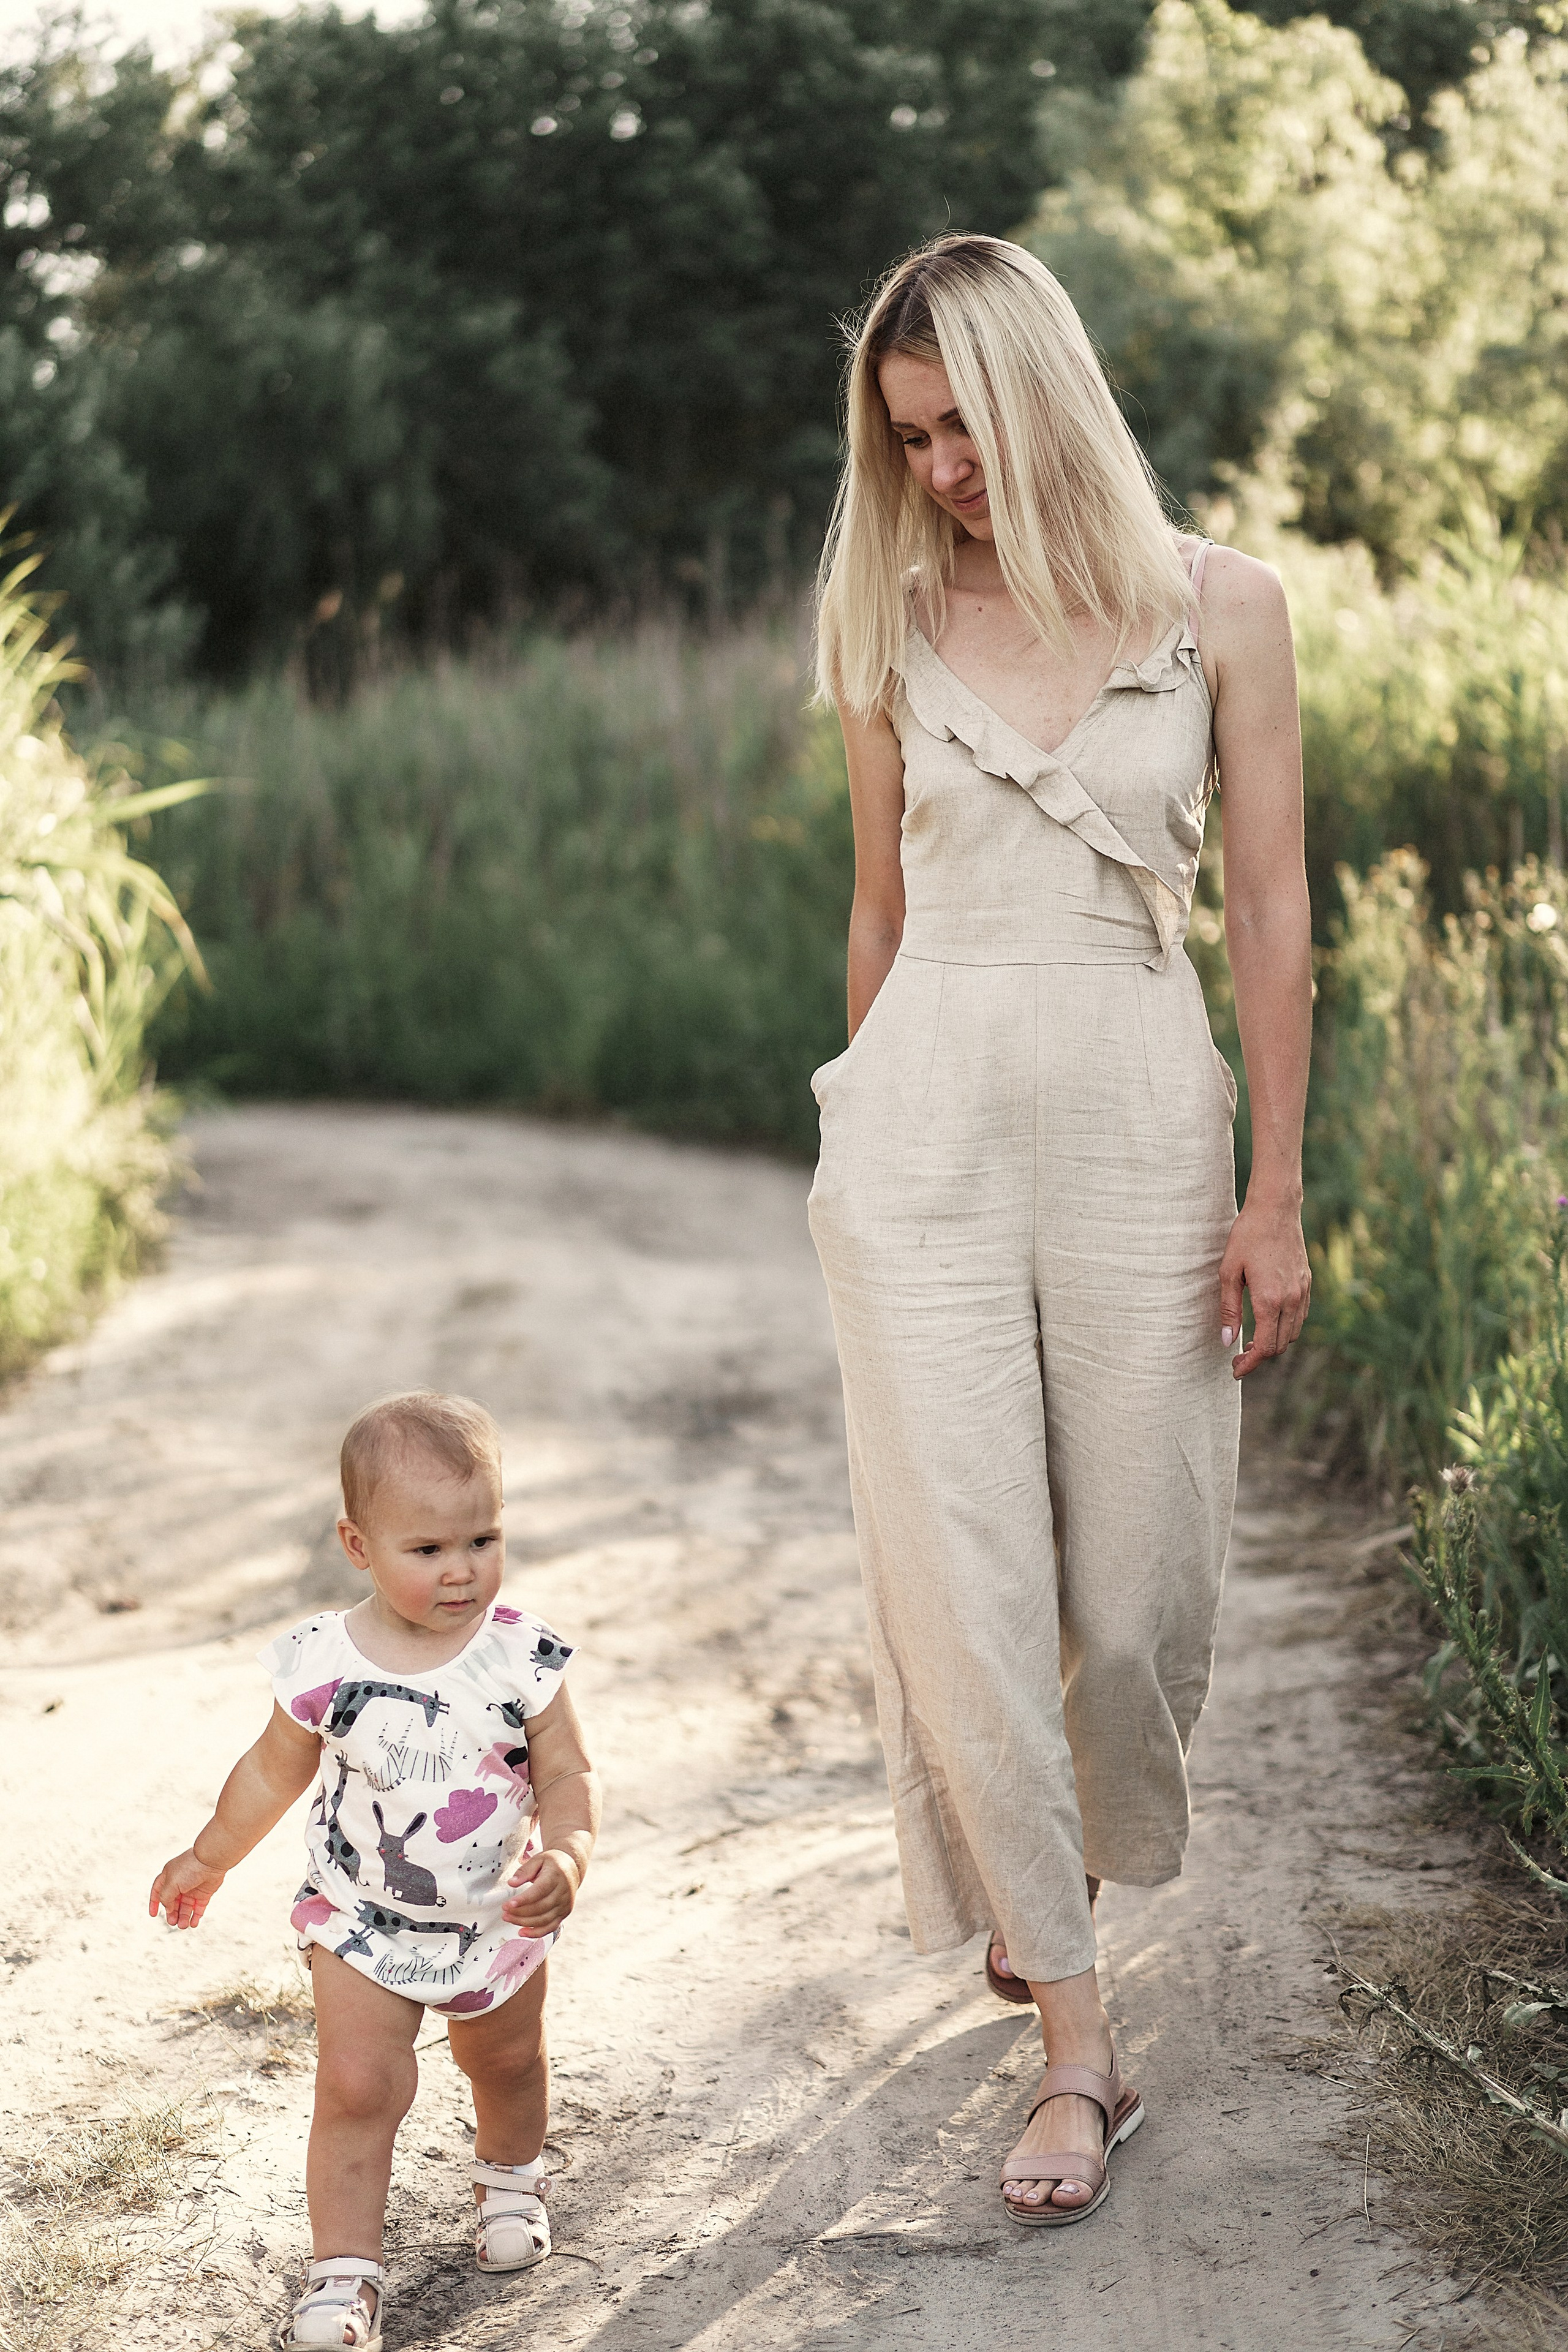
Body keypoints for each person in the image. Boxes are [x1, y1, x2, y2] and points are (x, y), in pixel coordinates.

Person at [809, 235, 1311, 2226]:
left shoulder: (1227, 613)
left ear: (1044, 393)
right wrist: (864, 1129)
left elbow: (1270, 913)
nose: (936, 468)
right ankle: (1079, 2043)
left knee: (1144, 1591)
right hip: (925, 1126)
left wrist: (1278, 1190)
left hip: (1142, 1113)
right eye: (906, 437)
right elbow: (879, 906)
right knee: (969, 1585)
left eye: (961, 424)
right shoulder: (885, 617)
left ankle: (1063, 1884)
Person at [149, 1390, 598, 2348]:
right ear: (358, 1546)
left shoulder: (520, 1655)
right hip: (361, 1919)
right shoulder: (324, 1663)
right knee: (357, 2086)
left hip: (496, 1916)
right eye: (427, 1550)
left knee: (506, 2061)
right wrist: (208, 1855)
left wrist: (569, 1852)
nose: (461, 1570)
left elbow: (566, 1772)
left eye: (481, 1539)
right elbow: (272, 1772)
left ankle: (511, 2177)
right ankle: (344, 2274)